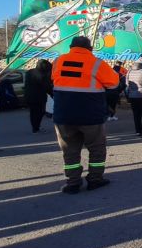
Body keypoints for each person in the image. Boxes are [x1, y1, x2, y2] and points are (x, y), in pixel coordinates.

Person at [51, 36, 119, 193]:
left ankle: (73, 183)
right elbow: (114, 83)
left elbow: (55, 79)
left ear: (70, 47)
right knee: (96, 149)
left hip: (64, 115)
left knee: (69, 151)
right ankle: (95, 179)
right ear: (90, 48)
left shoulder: (58, 61)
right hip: (90, 115)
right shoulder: (97, 63)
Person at [24, 59, 53, 133]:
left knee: (33, 112)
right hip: (39, 97)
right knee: (40, 112)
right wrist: (53, 94)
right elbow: (47, 86)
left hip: (28, 95)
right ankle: (36, 127)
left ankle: (35, 127)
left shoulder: (29, 72)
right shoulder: (42, 75)